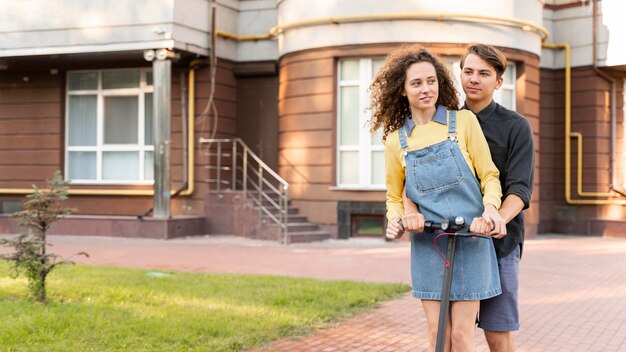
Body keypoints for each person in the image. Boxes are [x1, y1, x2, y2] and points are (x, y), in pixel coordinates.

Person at [370, 45, 504, 351]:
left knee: (461, 336)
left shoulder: (463, 123)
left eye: (431, 81)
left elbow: (489, 175)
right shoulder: (396, 142)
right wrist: (399, 220)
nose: (426, 88)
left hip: (472, 239)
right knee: (437, 335)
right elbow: (394, 196)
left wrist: (490, 210)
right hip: (429, 245)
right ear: (402, 91)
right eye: (416, 83)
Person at [460, 43, 535, 352]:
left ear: (499, 81)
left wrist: (496, 218)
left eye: (483, 73)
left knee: (497, 333)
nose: (474, 79)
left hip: (500, 244)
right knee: (455, 332)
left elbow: (519, 189)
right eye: (468, 71)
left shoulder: (516, 126)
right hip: (456, 240)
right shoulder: (445, 123)